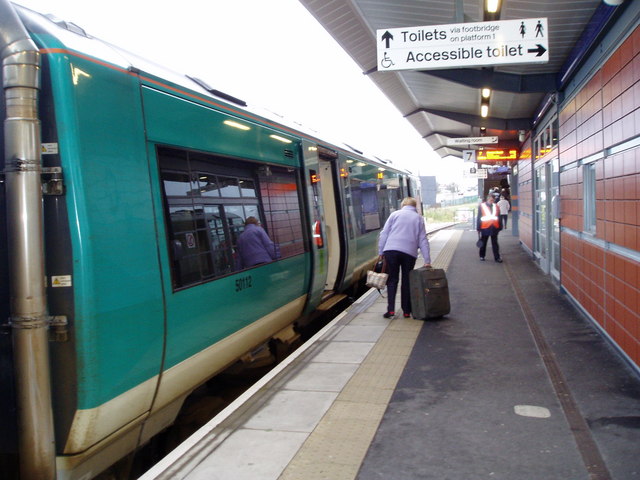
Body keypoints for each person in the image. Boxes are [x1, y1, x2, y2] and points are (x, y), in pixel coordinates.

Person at [378, 197, 431, 319]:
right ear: (415, 207)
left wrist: (381, 251)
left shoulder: (394, 215)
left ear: (403, 205)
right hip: (409, 253)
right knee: (407, 281)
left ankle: (390, 310)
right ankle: (406, 311)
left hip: (391, 250)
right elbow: (423, 240)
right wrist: (427, 260)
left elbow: (384, 233)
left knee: (392, 280)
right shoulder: (418, 218)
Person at [477, 194, 503, 263]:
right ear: (487, 199)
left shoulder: (496, 206)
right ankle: (482, 256)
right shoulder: (482, 206)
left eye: (493, 200)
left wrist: (500, 226)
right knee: (483, 243)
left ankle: (497, 258)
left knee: (495, 243)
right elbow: (479, 217)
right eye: (491, 200)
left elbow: (499, 216)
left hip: (494, 227)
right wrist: (478, 228)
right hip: (485, 227)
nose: (492, 201)